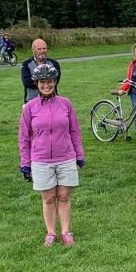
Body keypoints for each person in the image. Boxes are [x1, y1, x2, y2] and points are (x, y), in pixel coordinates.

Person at [18, 63, 83, 246]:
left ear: (55, 82)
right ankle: (51, 232)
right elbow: (24, 137)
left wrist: (79, 154)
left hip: (65, 157)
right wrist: (25, 162)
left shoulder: (65, 104)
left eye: (50, 81)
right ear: (37, 84)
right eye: (42, 82)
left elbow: (75, 131)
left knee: (63, 195)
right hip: (40, 159)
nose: (46, 85)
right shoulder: (30, 108)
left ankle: (65, 231)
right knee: (48, 198)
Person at [115, 43, 136, 142]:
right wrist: (123, 89)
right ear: (134, 53)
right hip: (135, 92)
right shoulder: (132, 64)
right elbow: (129, 79)